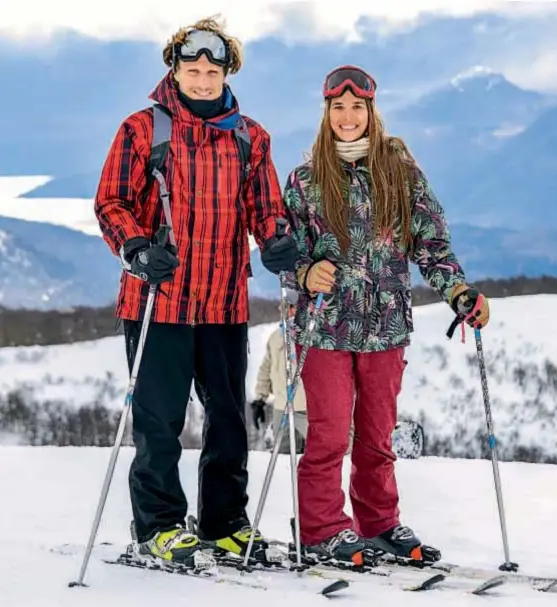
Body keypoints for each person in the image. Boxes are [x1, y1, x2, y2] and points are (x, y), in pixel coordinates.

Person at [94, 17, 298, 566]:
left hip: (224, 300)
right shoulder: (143, 130)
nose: (204, 79)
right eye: (193, 69)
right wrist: (136, 248)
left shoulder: (250, 136)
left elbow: (266, 209)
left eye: (213, 69)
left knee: (228, 416)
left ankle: (225, 522)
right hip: (158, 298)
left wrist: (277, 240)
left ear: (227, 71)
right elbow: (111, 202)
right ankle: (159, 526)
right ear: (175, 69)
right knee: (159, 419)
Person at [282, 65, 490, 565]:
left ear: (372, 112)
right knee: (330, 435)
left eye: (358, 107)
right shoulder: (306, 180)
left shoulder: (401, 172)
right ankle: (322, 530)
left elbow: (431, 243)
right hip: (325, 326)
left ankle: (378, 523)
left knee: (377, 437)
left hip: (387, 325)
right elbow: (282, 248)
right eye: (338, 107)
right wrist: (306, 271)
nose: (348, 116)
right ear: (326, 112)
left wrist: (457, 290)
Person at [250, 290, 308, 454]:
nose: (279, 310)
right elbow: (266, 368)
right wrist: (260, 399)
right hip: (282, 409)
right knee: (282, 459)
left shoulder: (311, 337)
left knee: (317, 458)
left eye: (285, 307)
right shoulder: (276, 337)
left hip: (308, 410)